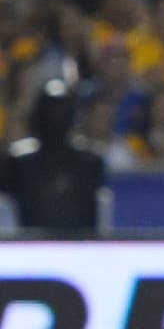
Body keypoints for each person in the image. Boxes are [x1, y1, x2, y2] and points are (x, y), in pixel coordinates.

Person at [0, 80, 108, 235]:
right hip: (29, 252)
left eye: (62, 111)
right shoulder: (18, 162)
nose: (56, 117)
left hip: (81, 251)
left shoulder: (91, 162)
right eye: (50, 111)